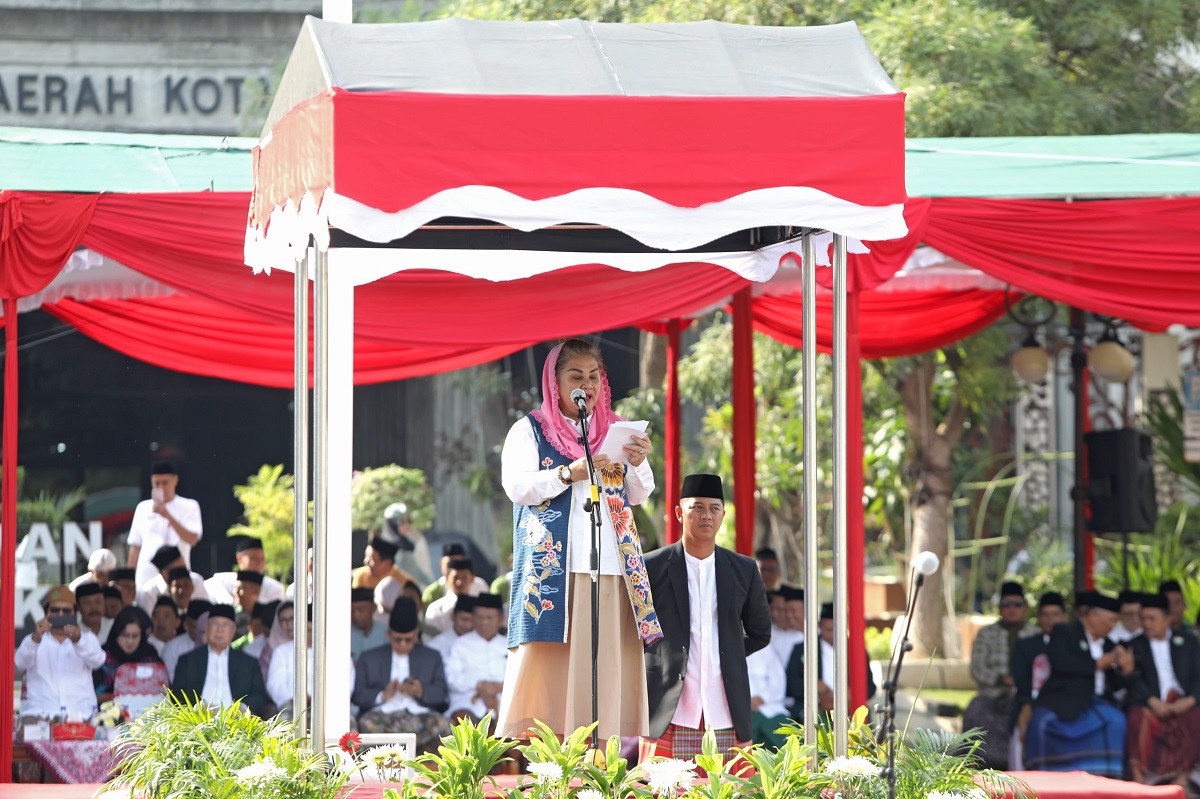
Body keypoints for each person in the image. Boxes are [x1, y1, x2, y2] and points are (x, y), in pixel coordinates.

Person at [497, 339, 663, 741]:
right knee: (552, 676)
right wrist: (567, 474)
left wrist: (637, 463)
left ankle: (600, 761)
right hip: (557, 571)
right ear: (554, 382)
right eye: (575, 376)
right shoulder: (530, 430)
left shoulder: (613, 429)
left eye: (593, 377)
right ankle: (553, 763)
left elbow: (639, 495)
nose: (585, 385)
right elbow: (516, 486)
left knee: (602, 672)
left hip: (609, 566)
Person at [640, 473, 771, 760]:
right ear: (679, 512)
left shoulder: (743, 569)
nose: (706, 515)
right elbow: (635, 633)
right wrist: (663, 658)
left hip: (725, 708)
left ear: (723, 514)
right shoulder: (651, 567)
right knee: (663, 790)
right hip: (667, 707)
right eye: (697, 507)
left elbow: (761, 633)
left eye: (714, 508)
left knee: (728, 791)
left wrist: (726, 652)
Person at [1024, 591, 1132, 777]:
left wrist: (1126, 670)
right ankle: (1043, 778)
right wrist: (1097, 664)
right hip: (1062, 699)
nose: (1112, 626)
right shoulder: (1064, 632)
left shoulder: (1110, 645)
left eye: (1115, 621)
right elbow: (1061, 663)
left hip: (1097, 702)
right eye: (1110, 620)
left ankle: (1106, 777)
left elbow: (1115, 684)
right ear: (1092, 615)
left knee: (1116, 720)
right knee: (1042, 724)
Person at [353, 598, 451, 753]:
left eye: (408, 640)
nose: (403, 644)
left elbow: (442, 694)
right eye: (398, 639)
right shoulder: (370, 657)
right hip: (383, 715)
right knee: (367, 723)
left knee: (444, 725)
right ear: (388, 634)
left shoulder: (431, 657)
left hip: (419, 715)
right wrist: (383, 695)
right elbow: (358, 695)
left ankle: (427, 769)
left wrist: (420, 691)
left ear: (417, 635)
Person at [1126, 592, 1200, 788]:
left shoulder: (1189, 641)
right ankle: (1140, 778)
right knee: (1136, 717)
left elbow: (1198, 675)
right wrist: (1152, 701)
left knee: (1196, 717)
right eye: (1143, 618)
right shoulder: (1135, 645)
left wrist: (1191, 700)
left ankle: (1183, 776)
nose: (1146, 623)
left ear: (1168, 618)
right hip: (1150, 701)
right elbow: (1134, 679)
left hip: (1183, 700)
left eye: (1152, 618)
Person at [963, 581, 1038, 769]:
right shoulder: (986, 634)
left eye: (1017, 605)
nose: (1012, 609)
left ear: (1025, 608)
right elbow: (977, 668)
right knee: (975, 710)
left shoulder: (1035, 634)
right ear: (999, 608)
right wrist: (1002, 679)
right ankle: (976, 771)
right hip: (993, 696)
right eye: (1006, 604)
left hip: (1027, 697)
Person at [15, 585, 106, 721]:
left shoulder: (87, 638)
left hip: (81, 716)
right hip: (40, 716)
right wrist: (35, 639)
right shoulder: (33, 639)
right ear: (46, 613)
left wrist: (78, 641)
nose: (61, 614)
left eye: (67, 611)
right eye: (55, 610)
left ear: (75, 614)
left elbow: (98, 661)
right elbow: (19, 663)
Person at [784, 603, 876, 724]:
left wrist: (853, 693)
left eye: (838, 630)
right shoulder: (803, 649)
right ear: (820, 626)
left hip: (847, 709)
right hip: (814, 709)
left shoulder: (856, 650)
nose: (833, 635)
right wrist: (813, 686)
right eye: (828, 630)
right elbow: (789, 685)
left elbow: (870, 686)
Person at [171, 604, 268, 715]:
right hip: (198, 721)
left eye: (225, 625)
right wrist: (200, 707)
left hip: (236, 723)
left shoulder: (249, 663)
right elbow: (177, 694)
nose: (220, 630)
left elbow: (259, 696)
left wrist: (241, 708)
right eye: (215, 624)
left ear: (233, 630)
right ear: (206, 628)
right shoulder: (188, 660)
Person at [267, 606, 356, 721]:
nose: (309, 634)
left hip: (329, 705)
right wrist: (299, 696)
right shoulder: (282, 652)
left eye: (313, 630)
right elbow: (274, 685)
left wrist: (319, 698)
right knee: (285, 727)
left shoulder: (338, 653)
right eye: (306, 630)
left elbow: (346, 686)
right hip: (293, 704)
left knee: (349, 728)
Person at [1010, 591, 1067, 769]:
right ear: (1039, 618)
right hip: (1032, 701)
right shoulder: (1026, 645)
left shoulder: (1074, 643)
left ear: (1064, 617)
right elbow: (1021, 680)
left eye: (1055, 614)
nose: (1050, 619)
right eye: (1046, 615)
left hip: (1067, 702)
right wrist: (1028, 704)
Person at [127, 461, 203, 589]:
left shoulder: (189, 506)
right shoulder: (143, 508)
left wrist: (166, 514)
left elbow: (192, 539)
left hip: (177, 576)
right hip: (146, 575)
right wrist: (129, 578)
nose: (161, 487)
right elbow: (135, 546)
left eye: (165, 482)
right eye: (157, 483)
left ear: (175, 481)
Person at [445, 593, 509, 724]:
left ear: (501, 619)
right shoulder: (460, 644)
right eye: (479, 617)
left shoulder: (510, 645)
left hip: (505, 707)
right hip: (468, 705)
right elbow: (452, 679)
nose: (484, 622)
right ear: (473, 618)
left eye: (489, 618)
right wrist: (479, 685)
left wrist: (499, 686)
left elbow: (522, 679)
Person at [93, 606, 164, 703]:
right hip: (109, 715)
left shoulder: (150, 655)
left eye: (135, 636)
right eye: (125, 635)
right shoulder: (102, 656)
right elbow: (92, 696)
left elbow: (164, 692)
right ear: (116, 634)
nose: (130, 641)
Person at [205, 537, 286, 606]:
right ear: (240, 559)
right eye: (255, 559)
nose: (260, 563)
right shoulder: (220, 581)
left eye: (262, 559)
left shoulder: (275, 588)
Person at [747, 635, 791, 749]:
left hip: (768, 706)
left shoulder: (765, 648)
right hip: (739, 709)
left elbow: (777, 680)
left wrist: (762, 698)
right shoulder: (727, 646)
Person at [138, 545, 209, 610]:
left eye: (184, 567)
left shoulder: (196, 581)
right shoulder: (150, 592)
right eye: (179, 570)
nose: (183, 573)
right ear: (165, 574)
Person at [424, 557, 483, 633]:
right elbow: (429, 637)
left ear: (472, 578)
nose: (459, 582)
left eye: (464, 577)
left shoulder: (480, 607)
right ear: (447, 578)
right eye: (455, 577)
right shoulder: (436, 609)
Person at [422, 543, 491, 606]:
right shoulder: (432, 593)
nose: (454, 566)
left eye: (457, 562)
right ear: (441, 565)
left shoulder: (480, 585)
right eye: (449, 563)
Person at [386, 502, 435, 587]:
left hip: (412, 588)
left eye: (408, 521)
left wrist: (433, 584)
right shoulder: (386, 546)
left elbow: (417, 571)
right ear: (393, 523)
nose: (406, 525)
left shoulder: (410, 543)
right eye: (402, 522)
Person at [162, 599, 211, 681]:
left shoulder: (220, 646)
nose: (204, 632)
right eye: (199, 628)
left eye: (209, 628)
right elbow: (170, 680)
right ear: (186, 625)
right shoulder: (172, 648)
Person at [351, 535, 418, 592]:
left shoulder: (405, 583)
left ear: (387, 563)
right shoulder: (360, 576)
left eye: (371, 559)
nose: (366, 561)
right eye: (366, 556)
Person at [428, 595, 475, 662]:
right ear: (453, 617)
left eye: (473, 621)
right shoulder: (435, 647)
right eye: (464, 619)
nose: (468, 625)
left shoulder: (480, 645)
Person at [351, 587, 389, 660]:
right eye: (352, 610)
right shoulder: (345, 634)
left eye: (361, 609)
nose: (356, 614)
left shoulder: (385, 632)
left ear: (373, 608)